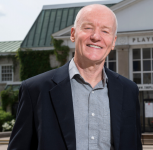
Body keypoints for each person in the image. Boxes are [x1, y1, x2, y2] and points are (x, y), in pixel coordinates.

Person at [8, 4, 142, 150]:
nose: (96, 36)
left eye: (105, 31)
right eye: (88, 28)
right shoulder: (35, 90)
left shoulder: (129, 90)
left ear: (113, 41)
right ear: (73, 34)